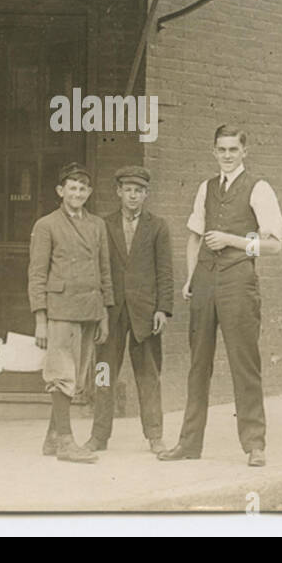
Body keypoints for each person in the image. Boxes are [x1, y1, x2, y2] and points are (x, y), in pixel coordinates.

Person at [159, 125, 282, 467]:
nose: (227, 155)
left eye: (233, 149)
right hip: (204, 283)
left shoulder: (259, 188)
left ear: (245, 151)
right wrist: (191, 278)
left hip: (238, 283)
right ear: (213, 152)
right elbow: (193, 238)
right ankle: (189, 443)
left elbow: (274, 244)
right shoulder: (206, 187)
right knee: (198, 365)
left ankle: (254, 445)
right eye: (221, 150)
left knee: (244, 364)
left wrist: (233, 240)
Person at [84, 166, 173, 455]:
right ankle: (99, 437)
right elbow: (96, 269)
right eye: (128, 190)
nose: (133, 196)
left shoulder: (158, 226)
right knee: (103, 372)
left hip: (145, 313)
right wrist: (99, 311)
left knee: (149, 375)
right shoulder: (103, 224)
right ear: (118, 192)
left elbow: (165, 272)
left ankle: (155, 436)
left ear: (146, 194)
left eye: (139, 191)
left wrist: (163, 310)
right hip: (110, 313)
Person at [28, 163, 113, 463]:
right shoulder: (46, 225)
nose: (77, 193)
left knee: (76, 376)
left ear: (89, 193)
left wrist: (104, 311)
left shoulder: (97, 225)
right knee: (61, 374)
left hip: (89, 309)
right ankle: (65, 441)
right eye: (71, 188)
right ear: (60, 191)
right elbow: (37, 274)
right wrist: (40, 319)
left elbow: (105, 271)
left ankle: (52, 439)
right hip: (61, 310)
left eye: (82, 188)